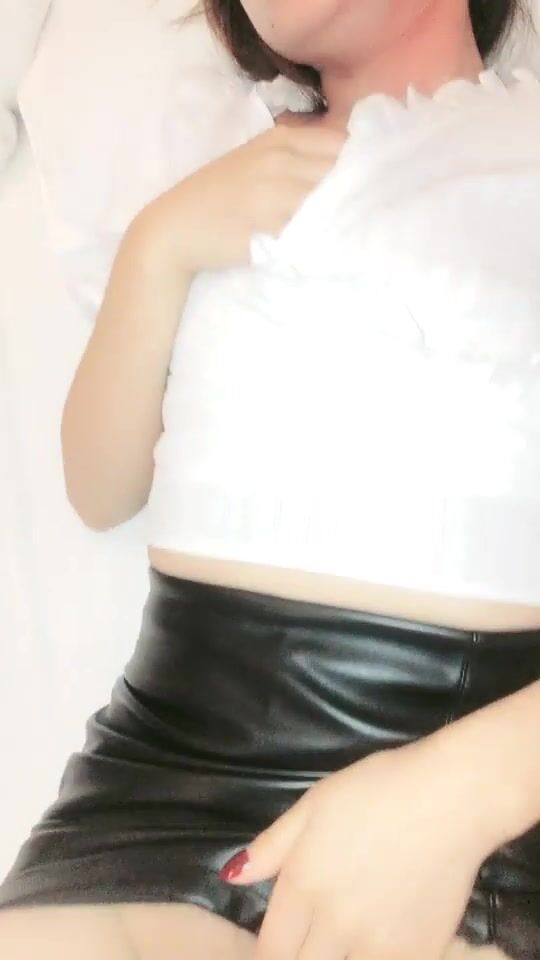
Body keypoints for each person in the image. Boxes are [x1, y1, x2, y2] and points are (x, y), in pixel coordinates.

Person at [1, 0, 540, 957]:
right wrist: (159, 247)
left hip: (464, 795)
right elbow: (99, 488)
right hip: (156, 782)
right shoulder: (215, 158)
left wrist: (469, 790)